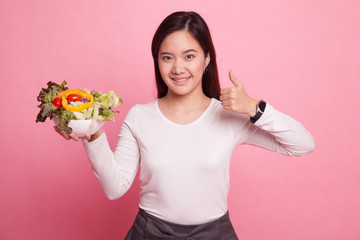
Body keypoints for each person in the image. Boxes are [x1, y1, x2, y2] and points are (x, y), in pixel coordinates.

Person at [55, 11, 315, 240]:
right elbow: (114, 188)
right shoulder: (139, 116)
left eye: (189, 56)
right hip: (149, 233)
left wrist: (253, 108)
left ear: (207, 59)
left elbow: (303, 145)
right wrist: (90, 131)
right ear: (157, 61)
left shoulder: (228, 116)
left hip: (215, 234)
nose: (178, 68)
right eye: (167, 57)